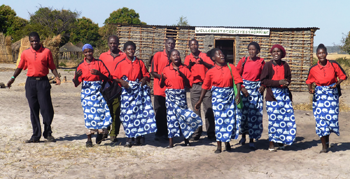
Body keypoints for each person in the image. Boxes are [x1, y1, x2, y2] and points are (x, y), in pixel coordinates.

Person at [7, 32, 61, 143]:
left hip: (43, 82)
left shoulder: (46, 52)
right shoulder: (25, 53)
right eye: (32, 41)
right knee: (33, 109)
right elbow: (20, 67)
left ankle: (48, 133)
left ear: (39, 40)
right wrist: (12, 78)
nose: (34, 42)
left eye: (36, 40)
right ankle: (36, 135)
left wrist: (57, 77)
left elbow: (52, 66)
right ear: (30, 42)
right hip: (30, 83)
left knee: (47, 110)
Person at [195, 48, 243, 153]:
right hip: (217, 100)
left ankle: (227, 143)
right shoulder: (210, 71)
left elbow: (238, 81)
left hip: (229, 98)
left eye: (222, 53)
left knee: (229, 121)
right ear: (213, 58)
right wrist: (200, 101)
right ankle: (219, 145)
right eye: (219, 54)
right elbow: (205, 87)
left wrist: (238, 95)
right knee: (219, 122)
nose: (222, 55)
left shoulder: (231, 67)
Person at [112, 41, 157, 147]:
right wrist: (122, 82)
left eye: (132, 49)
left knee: (139, 114)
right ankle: (129, 137)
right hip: (127, 93)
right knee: (127, 115)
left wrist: (143, 79)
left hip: (138, 92)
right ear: (124, 51)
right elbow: (114, 77)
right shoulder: (121, 63)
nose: (131, 51)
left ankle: (139, 136)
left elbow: (146, 74)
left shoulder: (139, 62)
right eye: (128, 49)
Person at [306, 44, 347, 153]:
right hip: (319, 96)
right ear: (316, 55)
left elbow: (343, 76)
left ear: (327, 53)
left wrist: (336, 84)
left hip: (332, 95)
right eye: (319, 53)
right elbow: (309, 80)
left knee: (330, 120)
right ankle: (324, 147)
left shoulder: (333, 65)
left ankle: (327, 143)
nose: (321, 55)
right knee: (320, 121)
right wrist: (310, 89)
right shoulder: (313, 68)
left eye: (323, 52)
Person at [160, 49, 202, 148]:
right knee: (171, 119)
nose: (176, 57)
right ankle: (171, 143)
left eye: (177, 55)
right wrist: (162, 79)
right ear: (170, 58)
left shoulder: (185, 69)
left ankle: (186, 140)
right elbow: (162, 85)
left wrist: (183, 76)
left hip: (181, 97)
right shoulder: (166, 69)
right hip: (170, 97)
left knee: (184, 118)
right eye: (173, 55)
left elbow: (189, 85)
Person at [73, 44, 112, 147]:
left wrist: (99, 73)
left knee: (100, 113)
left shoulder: (99, 63)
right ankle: (89, 139)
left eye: (90, 51)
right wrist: (76, 76)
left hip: (98, 92)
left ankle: (100, 133)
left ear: (93, 51)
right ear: (83, 54)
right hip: (86, 94)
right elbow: (76, 83)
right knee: (88, 116)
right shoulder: (81, 65)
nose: (88, 53)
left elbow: (107, 77)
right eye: (86, 52)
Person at [260, 44, 296, 151]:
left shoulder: (285, 65)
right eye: (274, 52)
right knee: (273, 120)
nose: (276, 54)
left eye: (278, 51)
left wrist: (286, 83)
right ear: (271, 53)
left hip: (284, 95)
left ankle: (281, 141)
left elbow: (289, 77)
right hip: (272, 96)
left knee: (284, 119)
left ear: (282, 54)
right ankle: (271, 143)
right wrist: (278, 82)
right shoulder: (268, 65)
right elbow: (263, 81)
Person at [184, 39, 215, 141]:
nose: (193, 46)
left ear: (198, 45)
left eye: (195, 44)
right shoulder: (188, 58)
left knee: (208, 110)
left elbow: (212, 67)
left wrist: (203, 63)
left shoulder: (204, 56)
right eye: (191, 45)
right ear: (189, 46)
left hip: (206, 86)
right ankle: (197, 133)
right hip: (194, 87)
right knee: (196, 110)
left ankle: (211, 133)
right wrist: (190, 65)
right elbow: (184, 72)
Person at [236, 42, 265, 150]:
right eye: (250, 49)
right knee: (243, 115)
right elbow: (237, 75)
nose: (251, 51)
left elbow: (264, 76)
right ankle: (243, 136)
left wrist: (263, 85)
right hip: (244, 90)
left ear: (258, 51)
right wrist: (242, 87)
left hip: (256, 91)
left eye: (254, 50)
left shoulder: (261, 62)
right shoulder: (243, 61)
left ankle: (252, 139)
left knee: (254, 116)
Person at [99, 35, 126, 142]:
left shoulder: (123, 56)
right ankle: (105, 131)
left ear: (118, 44)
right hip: (105, 85)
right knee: (106, 110)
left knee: (116, 110)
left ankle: (114, 133)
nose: (112, 45)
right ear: (108, 44)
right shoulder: (103, 56)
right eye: (110, 43)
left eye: (114, 43)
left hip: (118, 86)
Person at [151, 37, 175, 140]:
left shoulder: (175, 56)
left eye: (172, 44)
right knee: (159, 110)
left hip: (171, 89)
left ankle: (167, 132)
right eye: (168, 43)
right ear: (165, 44)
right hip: (159, 89)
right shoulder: (158, 55)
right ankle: (159, 132)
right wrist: (163, 77)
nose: (170, 45)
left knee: (169, 111)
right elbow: (153, 71)